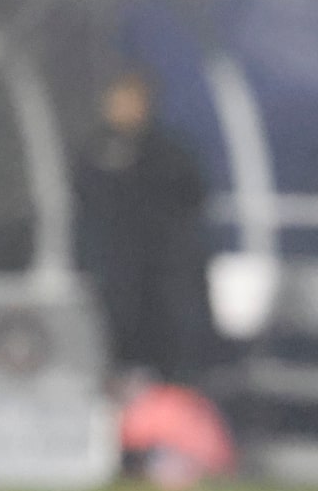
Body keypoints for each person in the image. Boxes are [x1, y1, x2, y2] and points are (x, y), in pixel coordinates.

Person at [74, 68, 216, 386]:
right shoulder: (92, 153)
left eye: (132, 99)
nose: (124, 107)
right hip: (111, 281)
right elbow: (84, 211)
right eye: (118, 99)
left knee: (166, 361)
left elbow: (191, 200)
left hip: (161, 284)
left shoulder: (171, 156)